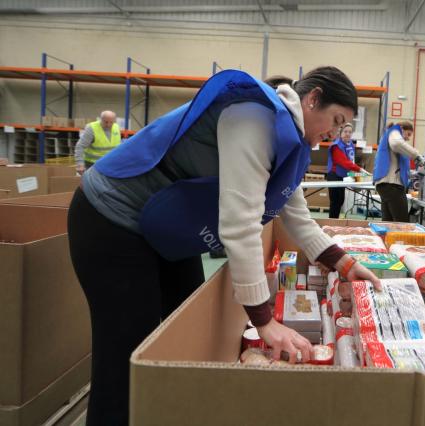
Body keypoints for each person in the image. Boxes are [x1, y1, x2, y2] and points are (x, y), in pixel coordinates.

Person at [67, 67, 381, 425]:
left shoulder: (288, 141)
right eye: (336, 120)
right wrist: (264, 321)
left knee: (186, 332)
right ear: (313, 98)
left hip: (164, 228)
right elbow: (241, 224)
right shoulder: (255, 117)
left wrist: (344, 264)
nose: (332, 133)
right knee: (125, 353)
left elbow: (296, 216)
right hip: (112, 220)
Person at [373, 121, 425, 222]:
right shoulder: (394, 133)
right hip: (392, 186)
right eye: (408, 134)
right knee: (401, 223)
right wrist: (417, 156)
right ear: (401, 128)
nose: (408, 138)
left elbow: (395, 165)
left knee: (388, 222)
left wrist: (412, 174)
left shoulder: (387, 136)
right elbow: (397, 144)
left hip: (385, 185)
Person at [326, 123, 368, 218]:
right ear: (340, 133)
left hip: (343, 176)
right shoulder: (336, 146)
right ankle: (332, 222)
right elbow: (344, 162)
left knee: (341, 200)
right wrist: (360, 170)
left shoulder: (351, 145)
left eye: (350, 132)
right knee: (335, 201)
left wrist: (355, 174)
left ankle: (334, 221)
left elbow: (351, 162)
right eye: (345, 132)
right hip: (334, 175)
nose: (348, 134)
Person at [75, 110, 121, 175]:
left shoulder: (116, 127)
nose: (108, 125)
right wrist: (80, 164)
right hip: (92, 165)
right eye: (106, 122)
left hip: (109, 164)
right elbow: (80, 146)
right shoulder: (92, 128)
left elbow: (117, 146)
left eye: (111, 122)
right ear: (100, 119)